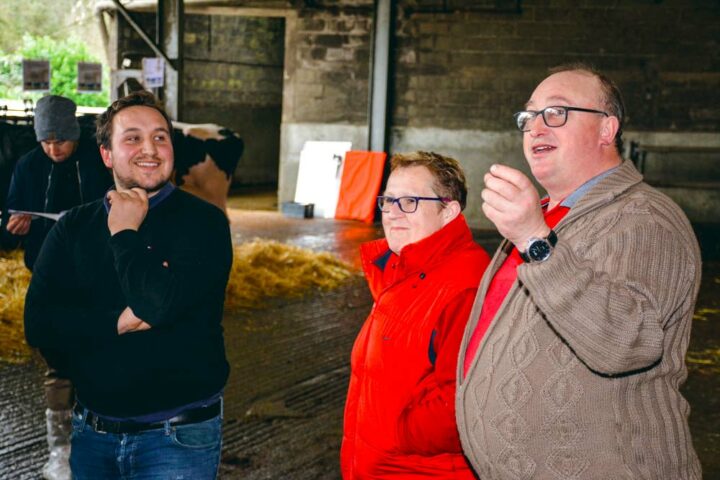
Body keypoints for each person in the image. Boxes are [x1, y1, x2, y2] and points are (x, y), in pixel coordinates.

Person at [456, 64, 702, 479]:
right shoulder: (549, 216)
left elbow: (627, 343)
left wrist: (535, 239)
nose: (535, 128)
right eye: (529, 117)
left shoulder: (645, 218)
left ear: (607, 130)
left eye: (556, 113)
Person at [24, 91, 233, 479]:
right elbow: (39, 323)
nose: (149, 148)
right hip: (91, 433)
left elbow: (155, 306)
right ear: (106, 154)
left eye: (160, 137)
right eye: (132, 137)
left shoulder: (203, 223)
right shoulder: (74, 227)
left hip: (178, 437)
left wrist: (123, 231)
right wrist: (115, 322)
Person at [341, 151, 491, 478]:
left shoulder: (465, 286)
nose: (393, 213)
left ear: (448, 211)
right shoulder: (398, 272)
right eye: (388, 200)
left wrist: (397, 434)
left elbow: (463, 402)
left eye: (409, 202)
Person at [1, 95, 112, 480]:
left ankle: (102, 442)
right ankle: (60, 453)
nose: (53, 148)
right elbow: (12, 212)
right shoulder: (29, 165)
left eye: (61, 140)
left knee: (99, 355)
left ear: (74, 133)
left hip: (96, 274)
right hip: (48, 276)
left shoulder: (98, 162)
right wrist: (15, 224)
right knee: (58, 360)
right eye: (46, 142)